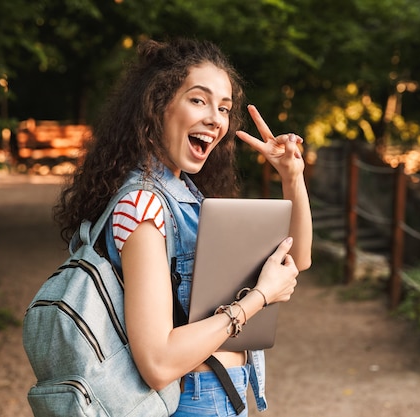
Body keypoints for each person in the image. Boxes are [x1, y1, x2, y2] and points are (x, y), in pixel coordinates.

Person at [54, 38, 312, 417]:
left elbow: (298, 259)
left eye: (224, 108)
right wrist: (258, 298)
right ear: (156, 106)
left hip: (219, 395)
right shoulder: (142, 207)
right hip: (191, 402)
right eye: (198, 100)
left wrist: (292, 176)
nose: (215, 118)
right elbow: (158, 363)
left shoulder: (186, 196)